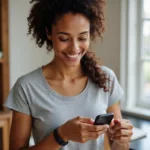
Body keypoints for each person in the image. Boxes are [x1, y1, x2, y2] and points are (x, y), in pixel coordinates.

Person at [4, 0, 133, 150]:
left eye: (82, 38)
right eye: (64, 38)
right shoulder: (26, 87)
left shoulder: (106, 79)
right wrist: (61, 135)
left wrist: (122, 140)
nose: (74, 48)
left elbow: (118, 147)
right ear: (48, 33)